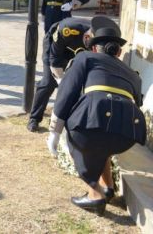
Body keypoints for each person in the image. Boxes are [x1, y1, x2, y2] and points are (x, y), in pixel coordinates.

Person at [46, 18, 146, 215]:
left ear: (93, 48)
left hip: (97, 121)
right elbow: (138, 101)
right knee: (102, 137)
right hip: (129, 131)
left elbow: (66, 93)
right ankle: (108, 187)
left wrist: (54, 132)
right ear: (118, 51)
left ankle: (95, 195)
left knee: (84, 134)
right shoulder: (132, 73)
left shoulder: (84, 58)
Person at [27, 17, 95, 132]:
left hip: (77, 51)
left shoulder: (98, 40)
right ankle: (34, 118)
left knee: (79, 84)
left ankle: (71, 119)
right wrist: (60, 80)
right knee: (49, 82)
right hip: (56, 45)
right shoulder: (67, 30)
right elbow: (55, 59)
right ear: (87, 37)